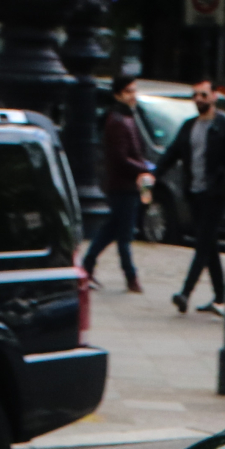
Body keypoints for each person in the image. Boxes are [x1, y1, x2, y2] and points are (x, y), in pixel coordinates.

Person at [155, 78, 225, 315]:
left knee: (202, 243)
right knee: (208, 244)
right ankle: (221, 297)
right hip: (195, 192)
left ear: (214, 97)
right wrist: (154, 174)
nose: (198, 99)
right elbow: (172, 153)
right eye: (195, 95)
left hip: (216, 193)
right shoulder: (189, 126)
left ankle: (185, 293)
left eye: (203, 95)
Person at [81, 77, 151, 293]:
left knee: (112, 229)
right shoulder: (118, 120)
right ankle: (130, 276)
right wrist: (143, 167)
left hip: (123, 184)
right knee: (123, 233)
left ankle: (87, 266)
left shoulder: (125, 117)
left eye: (134, 91)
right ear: (118, 94)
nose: (133, 95)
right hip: (123, 185)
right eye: (128, 91)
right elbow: (121, 157)